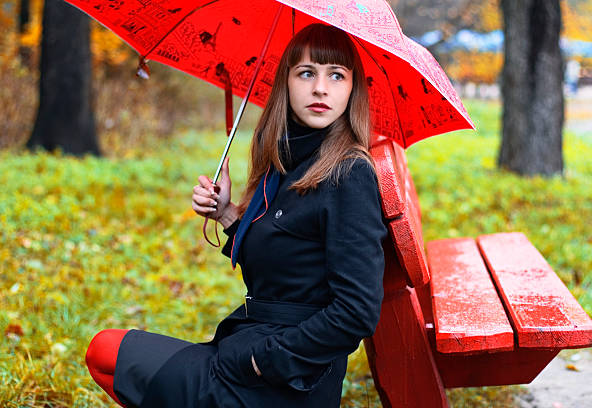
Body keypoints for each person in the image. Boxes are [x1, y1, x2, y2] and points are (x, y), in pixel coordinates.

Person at [85, 23, 387, 408]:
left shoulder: (349, 174)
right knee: (106, 353)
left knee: (107, 351)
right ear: (286, 82)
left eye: (337, 76)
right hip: (248, 348)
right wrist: (228, 214)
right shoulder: (289, 160)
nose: (320, 89)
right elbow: (288, 260)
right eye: (307, 73)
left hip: (287, 378)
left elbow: (356, 313)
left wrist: (265, 361)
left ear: (352, 89)